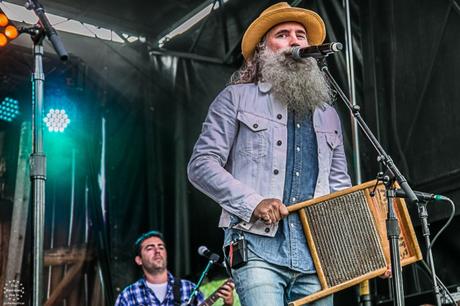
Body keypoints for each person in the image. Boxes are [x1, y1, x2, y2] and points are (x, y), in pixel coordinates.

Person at [187, 2, 352, 306]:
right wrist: (253, 202)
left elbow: (339, 186)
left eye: (301, 35)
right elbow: (201, 165)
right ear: (263, 49)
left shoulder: (329, 114)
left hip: (314, 254)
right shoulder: (235, 98)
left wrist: (361, 244)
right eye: (283, 34)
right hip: (255, 245)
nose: (294, 41)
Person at [115, 230, 235, 306]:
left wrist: (228, 304)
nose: (157, 251)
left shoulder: (189, 289)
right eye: (150, 248)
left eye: (161, 247)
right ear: (139, 260)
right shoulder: (128, 295)